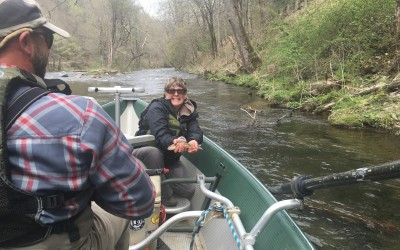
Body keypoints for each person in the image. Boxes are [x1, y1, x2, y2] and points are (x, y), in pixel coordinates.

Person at [0, 0, 155, 249]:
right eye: (47, 39)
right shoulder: (81, 115)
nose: (49, 49)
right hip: (58, 241)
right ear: (26, 42)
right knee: (122, 217)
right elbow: (139, 203)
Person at [133, 76, 203, 207]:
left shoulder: (189, 111)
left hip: (169, 159)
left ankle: (158, 178)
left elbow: (196, 131)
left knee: (188, 191)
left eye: (180, 91)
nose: (176, 94)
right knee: (153, 153)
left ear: (185, 94)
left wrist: (194, 141)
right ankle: (165, 194)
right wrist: (174, 140)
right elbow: (161, 135)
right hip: (142, 155)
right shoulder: (157, 108)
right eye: (171, 91)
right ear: (165, 93)